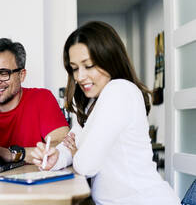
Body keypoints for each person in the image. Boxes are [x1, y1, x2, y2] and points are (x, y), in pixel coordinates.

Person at [31, 21, 180, 204]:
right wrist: (55, 158)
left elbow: (86, 165)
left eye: (89, 65)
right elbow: (72, 143)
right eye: (75, 68)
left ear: (110, 59)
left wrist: (78, 151)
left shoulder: (119, 90)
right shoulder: (90, 101)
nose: (79, 77)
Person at [0, 38, 69, 164]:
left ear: (21, 75)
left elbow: (63, 145)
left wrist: (12, 154)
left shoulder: (41, 98)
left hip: (34, 182)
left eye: (4, 73)